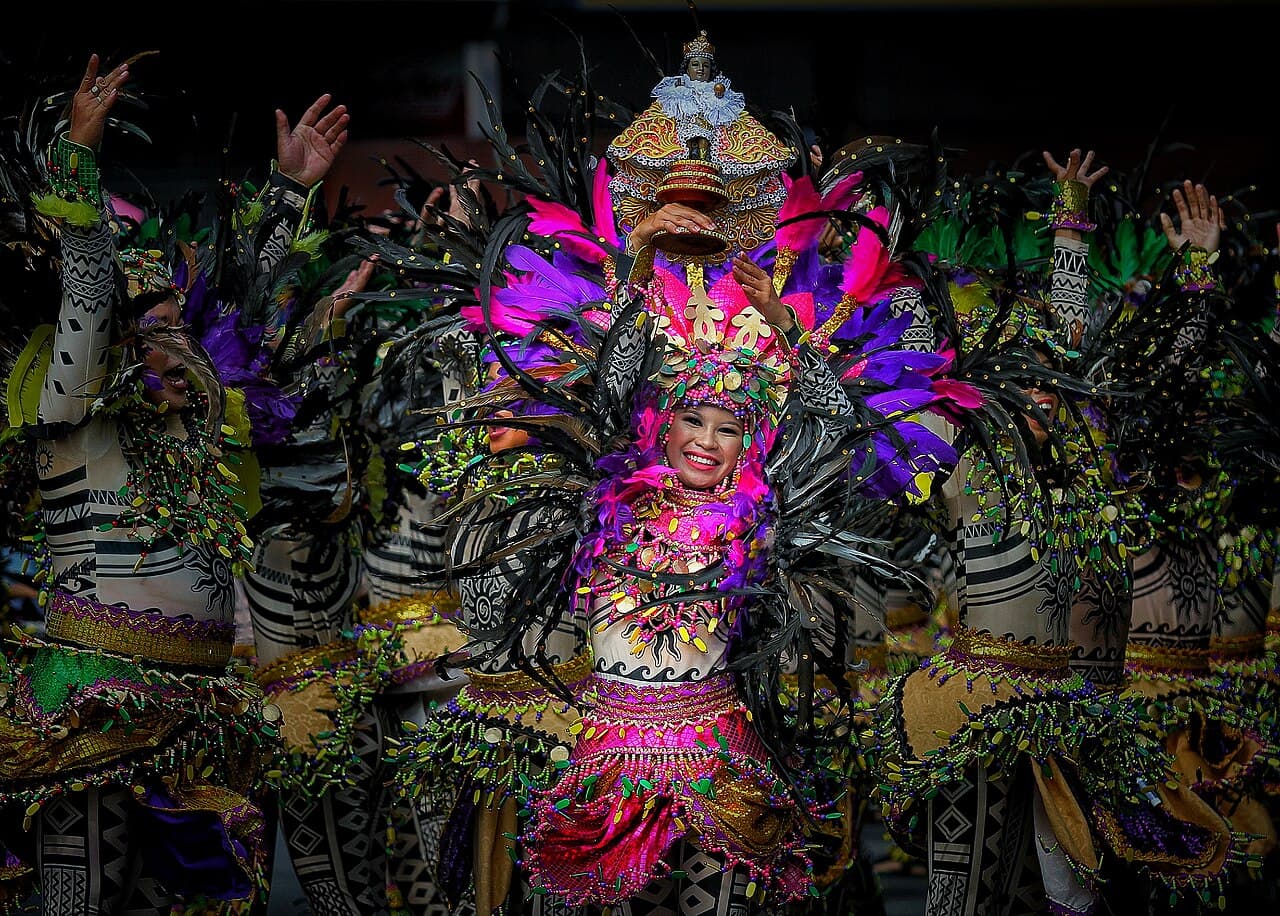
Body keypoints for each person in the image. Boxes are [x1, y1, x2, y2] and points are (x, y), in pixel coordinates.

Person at [0, 52, 346, 914]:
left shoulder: (205, 441)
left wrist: (284, 196)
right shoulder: (73, 401)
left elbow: (245, 310)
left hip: (204, 712)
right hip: (92, 704)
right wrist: (78, 156)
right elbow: (87, 286)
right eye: (141, 331)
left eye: (178, 329)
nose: (169, 349)